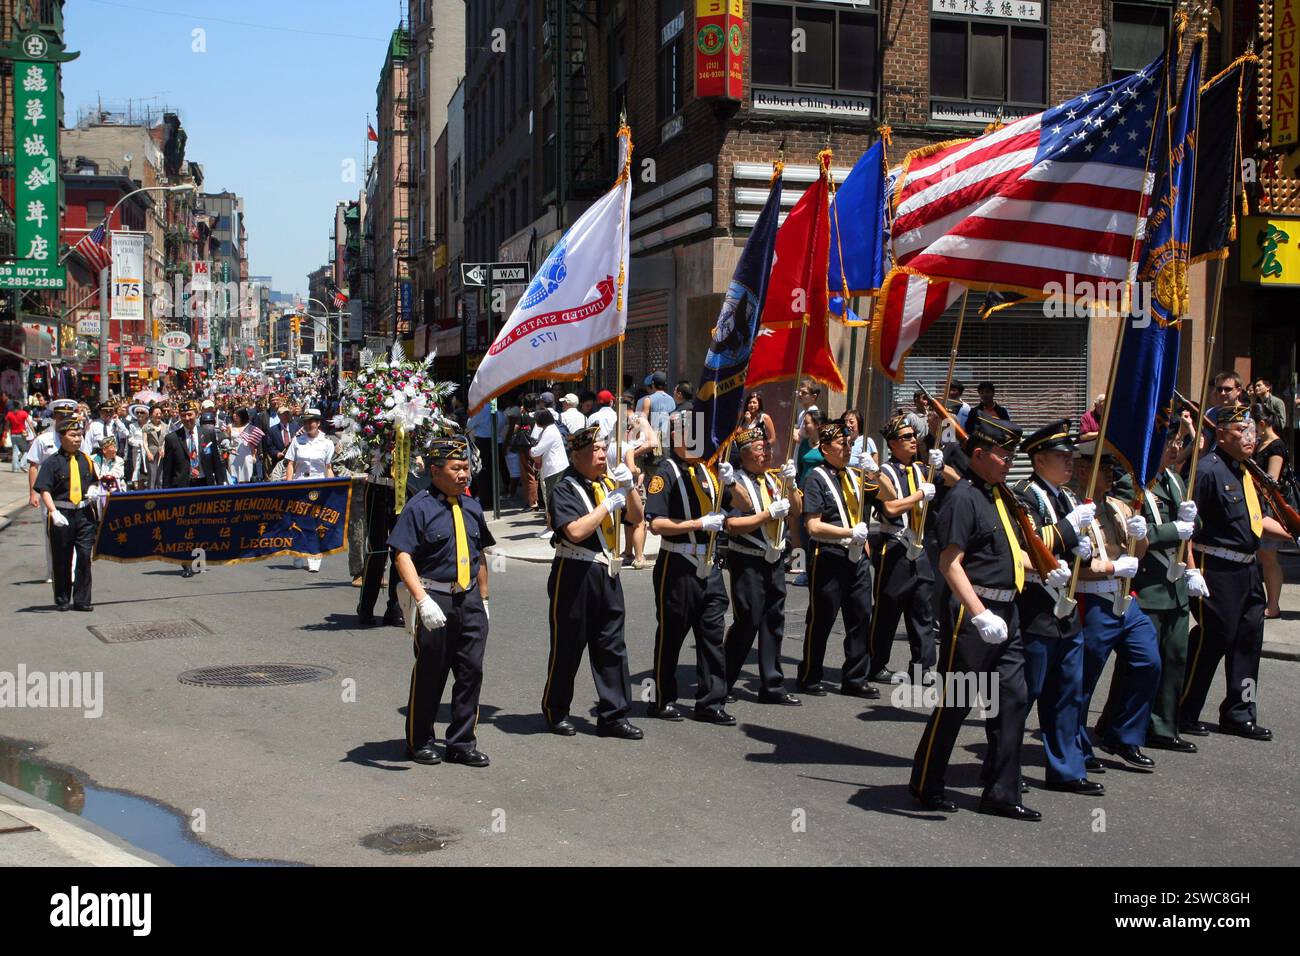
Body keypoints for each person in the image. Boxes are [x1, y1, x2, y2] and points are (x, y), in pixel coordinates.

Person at [908, 412, 1036, 820]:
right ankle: (926, 781)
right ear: (979, 454)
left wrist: (1043, 571)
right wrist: (980, 614)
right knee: (956, 703)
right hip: (975, 616)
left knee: (1013, 701)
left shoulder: (999, 494)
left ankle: (1000, 791)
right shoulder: (963, 498)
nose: (1010, 460)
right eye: (1004, 453)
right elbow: (950, 563)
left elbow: (1006, 553)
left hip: (1008, 612)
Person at [1182, 404, 1289, 741]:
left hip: (1246, 569)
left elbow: (1256, 521)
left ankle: (1239, 713)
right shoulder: (1208, 470)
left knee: (1247, 640)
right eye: (1241, 431)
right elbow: (1187, 527)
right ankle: (1183, 710)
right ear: (1222, 433)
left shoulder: (1246, 471)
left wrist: (1291, 532)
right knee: (1214, 638)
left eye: (1252, 431)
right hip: (1216, 567)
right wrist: (1190, 569)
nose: (1250, 437)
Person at [1007, 420, 1101, 794]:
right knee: (1026, 693)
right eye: (1062, 457)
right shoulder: (1023, 495)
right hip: (1036, 607)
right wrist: (1067, 529)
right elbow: (1029, 545)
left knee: (1067, 692)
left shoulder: (1068, 497)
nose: (1070, 463)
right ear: (1040, 458)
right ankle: (1006, 766)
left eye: (1071, 456)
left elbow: (1077, 541)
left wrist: (1085, 547)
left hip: (1066, 610)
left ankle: (1066, 769)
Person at [389, 435, 494, 767]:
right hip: (435, 598)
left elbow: (479, 557)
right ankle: (420, 740)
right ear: (436, 470)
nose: (464, 474)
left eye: (466, 468)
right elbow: (401, 554)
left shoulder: (472, 506)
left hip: (470, 601)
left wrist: (485, 600)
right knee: (431, 673)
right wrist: (421, 600)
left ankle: (461, 742)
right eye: (456, 468)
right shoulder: (419, 507)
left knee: (470, 672)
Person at [542, 425, 644, 739]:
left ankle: (613, 715)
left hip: (607, 573)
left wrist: (628, 490)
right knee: (568, 647)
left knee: (612, 646)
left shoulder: (611, 483)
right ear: (576, 456)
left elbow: (637, 518)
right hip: (574, 573)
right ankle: (556, 711)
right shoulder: (564, 488)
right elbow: (573, 531)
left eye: (602, 449)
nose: (601, 455)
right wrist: (606, 506)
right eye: (594, 451)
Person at [1069, 441, 1160, 773]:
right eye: (1103, 468)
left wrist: (1142, 533)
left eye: (1110, 468)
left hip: (1124, 599)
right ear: (1083, 470)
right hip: (1090, 598)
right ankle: (1077, 743)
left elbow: (1139, 553)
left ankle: (1122, 734)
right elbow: (1071, 562)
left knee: (1147, 662)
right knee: (1083, 679)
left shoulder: (1121, 507)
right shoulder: (1073, 508)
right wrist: (1111, 567)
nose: (1110, 474)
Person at [643, 407, 734, 725]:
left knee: (712, 633)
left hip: (710, 564)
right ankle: (661, 699)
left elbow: (730, 508)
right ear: (676, 437)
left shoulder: (708, 471)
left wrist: (729, 485)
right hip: (678, 561)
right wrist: (696, 522)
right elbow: (656, 524)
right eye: (690, 434)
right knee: (672, 634)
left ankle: (711, 701)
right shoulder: (664, 473)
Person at [1125, 426, 1205, 754]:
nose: (1174, 448)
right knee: (1146, 663)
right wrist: (1175, 528)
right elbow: (1131, 530)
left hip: (1175, 585)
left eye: (1177, 442)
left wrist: (1193, 565)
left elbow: (1189, 530)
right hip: (1149, 584)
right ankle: (1127, 725)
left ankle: (1164, 725)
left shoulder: (1175, 480)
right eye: (1167, 443)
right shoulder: (1135, 483)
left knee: (1175, 656)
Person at [798, 417, 879, 699]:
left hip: (856, 556)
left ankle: (855, 678)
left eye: (850, 443)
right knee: (823, 617)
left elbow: (888, 500)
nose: (847, 448)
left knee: (860, 616)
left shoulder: (856, 475)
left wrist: (875, 473)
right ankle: (810, 674)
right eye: (842, 444)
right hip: (828, 553)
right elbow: (813, 526)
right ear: (825, 448)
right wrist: (848, 531)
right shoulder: (815, 478)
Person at [721, 426, 801, 704]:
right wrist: (766, 514)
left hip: (774, 559)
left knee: (773, 622)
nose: (766, 452)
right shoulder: (734, 482)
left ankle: (772, 685)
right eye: (759, 448)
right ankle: (723, 681)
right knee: (748, 622)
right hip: (747, 559)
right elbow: (732, 525)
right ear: (744, 454)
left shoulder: (775, 479)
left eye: (768, 447)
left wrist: (791, 485)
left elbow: (797, 510)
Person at [868, 415, 939, 684]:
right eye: (907, 437)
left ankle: (922, 667)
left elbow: (958, 479)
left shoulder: (922, 469)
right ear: (893, 444)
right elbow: (890, 507)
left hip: (919, 546)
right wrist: (921, 495)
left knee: (922, 609)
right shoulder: (884, 473)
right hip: (895, 544)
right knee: (888, 608)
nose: (913, 440)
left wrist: (942, 465)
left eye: (913, 436)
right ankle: (875, 664)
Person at [33, 417, 100, 612]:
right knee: (62, 558)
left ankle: (82, 600)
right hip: (62, 513)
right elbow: (44, 489)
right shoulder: (52, 462)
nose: (78, 439)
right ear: (62, 438)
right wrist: (53, 512)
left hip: (84, 514)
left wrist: (95, 489)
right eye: (73, 435)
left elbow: (94, 481)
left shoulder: (86, 459)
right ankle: (62, 598)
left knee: (84, 556)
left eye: (79, 435)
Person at [161, 400, 228, 578]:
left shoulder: (208, 434)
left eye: (190, 414)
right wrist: (165, 494)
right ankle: (186, 562)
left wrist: (220, 484)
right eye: (183, 416)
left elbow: (216, 462)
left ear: (196, 414)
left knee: (201, 524)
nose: (187, 418)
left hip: (203, 483)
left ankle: (199, 559)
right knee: (184, 525)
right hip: (183, 486)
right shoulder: (172, 438)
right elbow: (167, 470)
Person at [284, 408, 334, 573]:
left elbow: (328, 468)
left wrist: (333, 487)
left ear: (318, 423)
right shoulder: (297, 441)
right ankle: (298, 553)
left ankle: (314, 556)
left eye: (311, 421)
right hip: (300, 483)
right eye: (305, 421)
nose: (308, 424)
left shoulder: (327, 443)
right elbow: (290, 464)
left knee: (316, 522)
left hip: (318, 484)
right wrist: (288, 485)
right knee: (298, 521)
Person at [1251, 408, 1288, 618]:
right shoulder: (1261, 443)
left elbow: (1271, 480)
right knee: (1262, 556)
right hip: (1259, 504)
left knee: (1268, 557)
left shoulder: (1276, 446)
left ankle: (1273, 605)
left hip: (1269, 507)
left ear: (1263, 423)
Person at [529, 408, 568, 534]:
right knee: (549, 499)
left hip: (554, 469)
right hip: (551, 469)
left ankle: (553, 529)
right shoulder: (547, 430)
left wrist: (532, 451)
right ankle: (550, 527)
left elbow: (536, 451)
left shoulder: (550, 431)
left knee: (552, 499)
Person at [637, 372, 676, 440]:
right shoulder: (671, 399)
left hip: (654, 439)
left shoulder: (648, 400)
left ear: (652, 384)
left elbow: (643, 422)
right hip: (668, 439)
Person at [227, 407, 259, 484]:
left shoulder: (248, 426)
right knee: (234, 478)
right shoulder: (230, 426)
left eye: (237, 414)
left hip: (246, 453)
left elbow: (252, 443)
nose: (234, 415)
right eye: (234, 413)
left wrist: (254, 455)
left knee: (246, 476)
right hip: (234, 454)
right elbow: (227, 441)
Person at [144, 405, 168, 488]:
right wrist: (148, 453)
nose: (158, 415)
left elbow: (166, 439)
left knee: (161, 477)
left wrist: (164, 449)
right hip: (151, 452)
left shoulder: (165, 426)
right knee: (152, 476)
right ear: (151, 415)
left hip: (162, 453)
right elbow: (145, 442)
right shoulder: (147, 426)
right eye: (156, 413)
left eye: (160, 413)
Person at [5, 399, 31, 473]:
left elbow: (7, 425)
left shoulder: (9, 414)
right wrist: (34, 433)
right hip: (21, 434)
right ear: (19, 405)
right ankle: (23, 464)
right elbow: (30, 424)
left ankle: (15, 468)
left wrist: (6, 433)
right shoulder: (23, 413)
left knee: (15, 451)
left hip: (13, 434)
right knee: (26, 450)